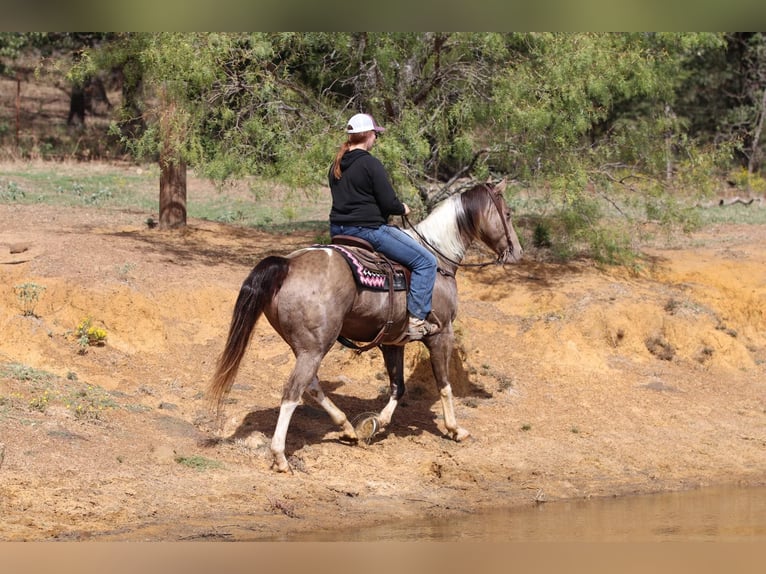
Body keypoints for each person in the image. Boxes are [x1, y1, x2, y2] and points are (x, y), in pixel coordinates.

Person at [328, 112, 438, 339]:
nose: (376, 139)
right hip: (368, 231)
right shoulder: (370, 164)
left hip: (338, 231)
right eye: (375, 135)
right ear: (368, 135)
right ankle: (417, 320)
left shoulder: (336, 164)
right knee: (426, 261)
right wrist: (402, 208)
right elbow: (388, 202)